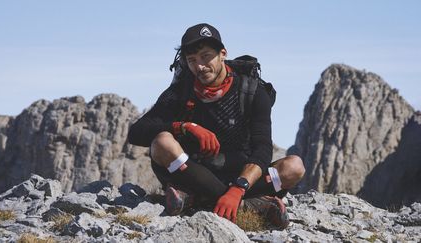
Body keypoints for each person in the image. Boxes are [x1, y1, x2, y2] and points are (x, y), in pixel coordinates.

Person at [128, 23, 305, 229]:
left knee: (294, 167)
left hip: (242, 176)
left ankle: (197, 199)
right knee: (162, 142)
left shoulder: (252, 91)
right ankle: (253, 205)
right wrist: (184, 126)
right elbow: (136, 133)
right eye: (192, 60)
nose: (200, 66)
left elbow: (262, 149)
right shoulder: (181, 90)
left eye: (206, 56)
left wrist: (238, 188)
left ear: (223, 53)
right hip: (193, 173)